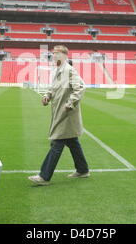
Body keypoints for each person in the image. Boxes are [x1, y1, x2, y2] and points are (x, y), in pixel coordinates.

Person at [28, 45, 89, 186]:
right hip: (59, 112)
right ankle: (83, 170)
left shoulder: (69, 70)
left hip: (66, 114)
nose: (53, 56)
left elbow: (80, 87)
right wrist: (47, 96)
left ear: (64, 55)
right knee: (73, 142)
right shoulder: (57, 71)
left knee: (57, 142)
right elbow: (53, 88)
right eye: (53, 53)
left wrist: (70, 103)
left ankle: (44, 176)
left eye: (56, 53)